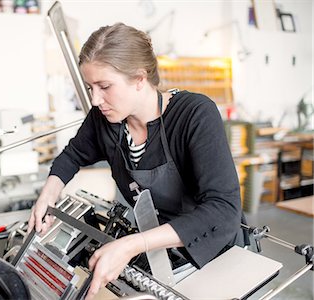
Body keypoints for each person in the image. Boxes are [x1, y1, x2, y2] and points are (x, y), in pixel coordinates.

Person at [27, 23, 246, 299]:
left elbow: (223, 211)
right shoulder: (106, 120)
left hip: (214, 251)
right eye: (90, 87)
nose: (95, 100)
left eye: (104, 86)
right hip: (159, 246)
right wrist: (48, 195)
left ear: (140, 78)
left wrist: (132, 245)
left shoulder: (195, 115)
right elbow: (72, 155)